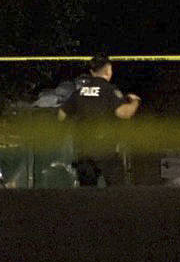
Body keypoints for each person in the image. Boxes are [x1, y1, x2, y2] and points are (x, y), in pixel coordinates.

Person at [58, 54, 141, 187]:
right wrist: (135, 102)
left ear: (92, 72)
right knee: (117, 192)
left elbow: (61, 115)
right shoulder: (109, 90)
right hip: (105, 150)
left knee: (87, 194)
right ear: (108, 71)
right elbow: (124, 113)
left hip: (83, 150)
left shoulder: (79, 92)